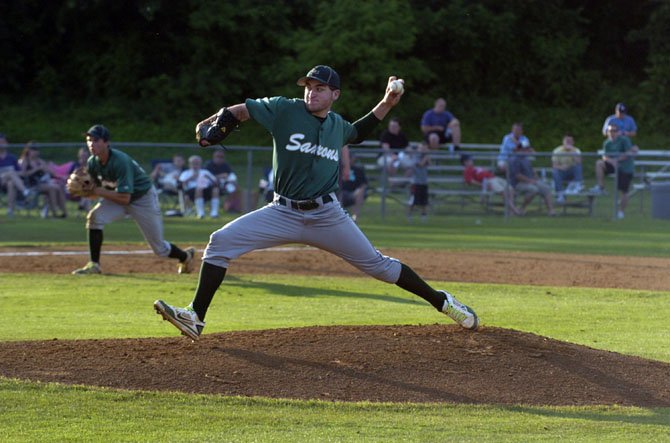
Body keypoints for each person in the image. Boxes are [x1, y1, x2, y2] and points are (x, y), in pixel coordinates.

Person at [154, 65, 478, 340]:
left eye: (320, 88)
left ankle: (443, 302)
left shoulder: (338, 126)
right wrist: (216, 123)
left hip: (327, 215)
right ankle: (195, 317)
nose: (311, 93)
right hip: (281, 211)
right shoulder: (285, 109)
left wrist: (387, 102)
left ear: (335, 94)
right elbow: (241, 110)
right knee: (220, 242)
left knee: (380, 266)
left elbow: (358, 132)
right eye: (309, 87)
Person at [71, 124, 195, 275]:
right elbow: (96, 192)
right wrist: (83, 191)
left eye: (96, 140)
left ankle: (186, 256)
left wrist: (96, 190)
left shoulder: (120, 161)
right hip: (119, 196)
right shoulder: (93, 162)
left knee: (160, 249)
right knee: (95, 218)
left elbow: (125, 198)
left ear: (106, 142)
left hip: (143, 198)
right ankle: (94, 265)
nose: (91, 144)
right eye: (89, 140)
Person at [590, 123, 638, 219]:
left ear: (618, 132)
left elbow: (629, 152)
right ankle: (601, 187)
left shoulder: (624, 140)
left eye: (614, 131)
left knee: (624, 191)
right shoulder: (607, 143)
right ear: (607, 132)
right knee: (599, 163)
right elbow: (604, 156)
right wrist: (610, 161)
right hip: (613, 166)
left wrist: (617, 160)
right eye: (610, 131)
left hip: (625, 167)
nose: (612, 133)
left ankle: (621, 212)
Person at [18, 142, 68, 218]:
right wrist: (36, 169)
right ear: (28, 150)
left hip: (43, 183)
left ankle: (63, 212)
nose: (35, 152)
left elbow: (51, 173)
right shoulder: (24, 161)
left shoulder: (40, 161)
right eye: (32, 150)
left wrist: (48, 170)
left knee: (58, 187)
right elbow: (23, 174)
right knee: (53, 188)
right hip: (31, 185)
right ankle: (55, 213)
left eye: (36, 150)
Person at [508, 144, 556, 216]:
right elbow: (517, 176)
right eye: (526, 149)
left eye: (527, 149)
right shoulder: (514, 159)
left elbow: (531, 170)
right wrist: (531, 181)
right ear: (520, 150)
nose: (528, 151)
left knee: (545, 187)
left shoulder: (525, 159)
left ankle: (551, 211)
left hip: (529, 181)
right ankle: (521, 209)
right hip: (517, 183)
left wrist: (535, 177)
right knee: (533, 189)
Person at [179, 155, 220, 219]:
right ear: (190, 164)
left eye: (197, 163)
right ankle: (201, 213)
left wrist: (209, 178)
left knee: (215, 190)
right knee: (199, 189)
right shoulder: (186, 173)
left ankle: (214, 213)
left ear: (200, 164)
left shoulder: (205, 172)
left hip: (206, 191)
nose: (195, 165)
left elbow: (216, 183)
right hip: (191, 192)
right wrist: (191, 177)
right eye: (193, 163)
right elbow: (181, 185)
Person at [0, 133, 31, 216]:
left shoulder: (12, 157)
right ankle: (25, 191)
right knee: (10, 173)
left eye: (3, 142)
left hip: (9, 182)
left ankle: (10, 210)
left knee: (11, 184)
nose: (1, 144)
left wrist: (12, 173)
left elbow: (21, 172)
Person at [205, 149, 241, 213]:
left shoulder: (225, 165)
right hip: (210, 186)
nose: (219, 158)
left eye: (221, 157)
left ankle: (229, 208)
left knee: (233, 189)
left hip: (224, 184)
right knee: (216, 189)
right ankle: (217, 209)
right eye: (217, 156)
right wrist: (220, 176)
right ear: (214, 157)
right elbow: (206, 177)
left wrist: (234, 183)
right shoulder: (209, 165)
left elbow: (231, 176)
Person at [551, 134, 584, 203]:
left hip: (572, 173)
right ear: (563, 142)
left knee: (578, 167)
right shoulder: (557, 150)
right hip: (561, 172)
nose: (568, 143)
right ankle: (560, 195)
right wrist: (561, 167)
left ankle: (577, 186)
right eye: (567, 141)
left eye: (570, 141)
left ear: (573, 142)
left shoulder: (576, 150)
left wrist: (572, 152)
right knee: (555, 171)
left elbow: (579, 162)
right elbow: (554, 165)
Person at [340, 152, 368, 222]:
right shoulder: (339, 169)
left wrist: (359, 191)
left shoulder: (358, 170)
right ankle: (339, 217)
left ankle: (355, 217)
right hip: (340, 192)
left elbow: (364, 184)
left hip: (353, 193)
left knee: (359, 193)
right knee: (338, 193)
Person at [407, 142, 430, 222]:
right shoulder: (415, 157)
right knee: (413, 200)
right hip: (416, 183)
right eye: (422, 148)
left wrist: (427, 156)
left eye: (425, 148)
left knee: (424, 201)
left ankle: (424, 216)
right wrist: (426, 157)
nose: (423, 150)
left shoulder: (426, 157)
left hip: (424, 183)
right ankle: (409, 215)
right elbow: (420, 164)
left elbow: (429, 163)